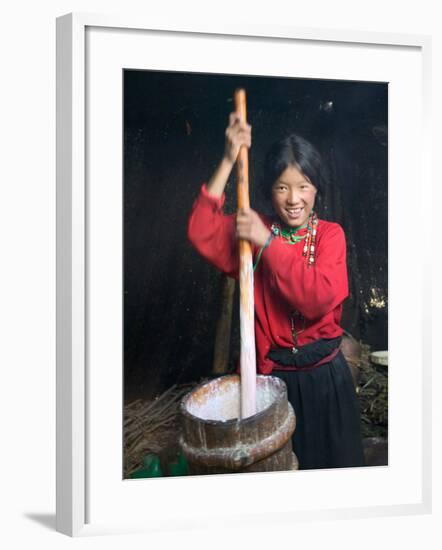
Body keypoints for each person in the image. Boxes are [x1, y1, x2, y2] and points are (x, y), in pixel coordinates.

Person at [187, 112, 365, 470]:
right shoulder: (256, 230)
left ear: (317, 189)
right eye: (283, 187)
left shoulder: (330, 237)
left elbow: (316, 299)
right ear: (270, 190)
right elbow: (201, 230)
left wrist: (266, 242)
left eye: (304, 186)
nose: (294, 198)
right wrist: (227, 158)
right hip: (272, 384)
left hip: (325, 384)